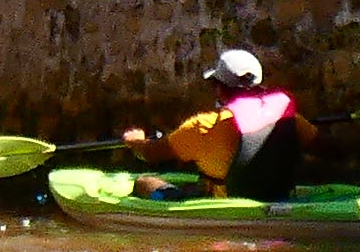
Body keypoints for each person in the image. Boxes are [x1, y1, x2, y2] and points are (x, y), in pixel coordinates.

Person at [118, 47, 312, 202]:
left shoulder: (204, 126)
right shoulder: (290, 120)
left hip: (227, 203)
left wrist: (135, 142)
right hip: (280, 198)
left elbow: (152, 153)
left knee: (144, 182)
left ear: (220, 88)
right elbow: (330, 149)